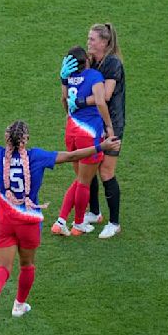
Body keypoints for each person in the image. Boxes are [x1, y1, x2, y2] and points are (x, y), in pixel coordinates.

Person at [0, 121, 120, 328]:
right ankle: (19, 305)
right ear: (25, 140)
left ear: (6, 139)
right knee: (27, 265)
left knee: (4, 267)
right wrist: (101, 147)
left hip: (4, 219)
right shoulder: (37, 157)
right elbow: (71, 156)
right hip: (29, 221)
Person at [61, 23, 125, 239]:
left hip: (112, 123)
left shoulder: (112, 64)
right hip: (94, 124)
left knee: (106, 171)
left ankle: (114, 223)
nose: (88, 42)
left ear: (104, 42)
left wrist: (78, 101)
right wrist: (64, 81)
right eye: (88, 39)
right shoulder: (92, 63)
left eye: (92, 39)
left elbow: (105, 96)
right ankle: (95, 212)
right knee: (90, 165)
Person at [51, 46, 115, 237]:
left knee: (80, 179)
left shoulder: (68, 79)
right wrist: (109, 126)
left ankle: (64, 222)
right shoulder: (94, 76)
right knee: (83, 182)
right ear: (86, 60)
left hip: (71, 131)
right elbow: (101, 101)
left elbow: (64, 100)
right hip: (88, 134)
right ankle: (76, 224)